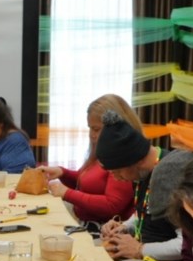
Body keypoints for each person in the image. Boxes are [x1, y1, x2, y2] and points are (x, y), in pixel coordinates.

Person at [95, 110, 193, 261]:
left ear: (136, 161)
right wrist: (124, 226)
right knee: (92, 248)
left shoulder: (170, 175)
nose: (116, 178)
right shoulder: (141, 173)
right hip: (144, 251)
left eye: (117, 172)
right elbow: (145, 211)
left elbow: (184, 244)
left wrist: (141, 250)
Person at [39, 94, 137, 224]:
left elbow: (112, 206)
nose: (91, 135)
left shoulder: (123, 157)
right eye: (90, 128)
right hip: (84, 220)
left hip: (102, 230)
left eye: (96, 129)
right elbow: (86, 183)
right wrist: (62, 172)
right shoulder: (102, 151)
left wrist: (67, 193)